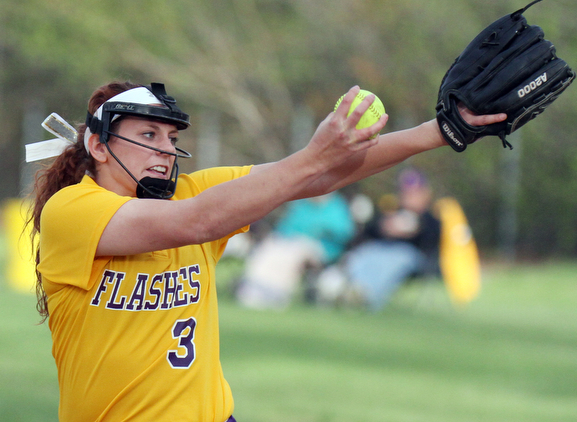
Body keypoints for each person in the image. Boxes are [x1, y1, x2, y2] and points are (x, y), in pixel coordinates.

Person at [27, 80, 506, 422]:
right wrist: (314, 154)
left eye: (172, 139)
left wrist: (441, 131)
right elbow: (199, 221)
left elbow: (316, 177)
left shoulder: (191, 190)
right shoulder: (72, 210)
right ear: (98, 144)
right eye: (148, 136)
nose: (165, 151)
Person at [321, 168, 441, 311]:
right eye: (406, 193)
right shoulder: (391, 210)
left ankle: (365, 295)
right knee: (363, 255)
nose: (409, 197)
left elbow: (431, 241)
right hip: (380, 248)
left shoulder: (431, 219)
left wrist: (415, 229)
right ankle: (343, 287)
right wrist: (384, 227)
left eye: (414, 193)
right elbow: (369, 231)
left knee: (394, 259)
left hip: (410, 255)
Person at [236, 191, 355, 309]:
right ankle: (254, 286)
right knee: (269, 246)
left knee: (294, 253)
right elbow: (285, 228)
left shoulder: (337, 206)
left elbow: (345, 232)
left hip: (321, 248)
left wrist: (322, 229)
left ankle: (277, 293)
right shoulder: (302, 204)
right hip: (291, 241)